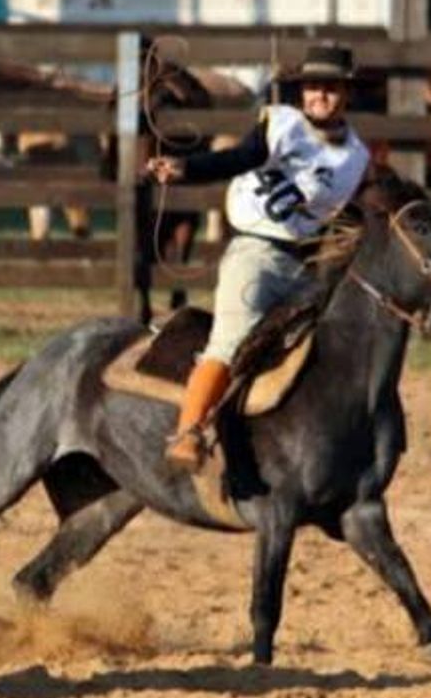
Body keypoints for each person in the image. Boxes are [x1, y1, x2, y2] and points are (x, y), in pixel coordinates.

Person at [143, 44, 370, 473]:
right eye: (312, 87)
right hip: (256, 254)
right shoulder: (283, 124)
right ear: (301, 92)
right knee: (231, 342)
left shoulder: (356, 157)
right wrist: (186, 169)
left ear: (347, 94)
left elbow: (347, 215)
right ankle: (189, 431)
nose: (319, 95)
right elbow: (241, 158)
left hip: (305, 265)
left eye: (331, 88)